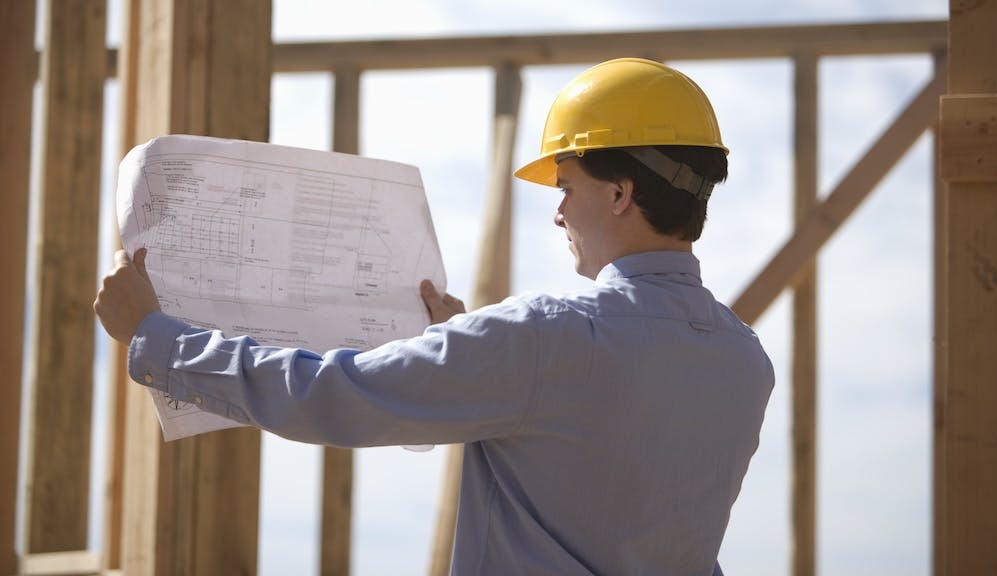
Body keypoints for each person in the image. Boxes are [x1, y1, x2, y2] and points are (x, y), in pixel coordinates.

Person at [95, 57, 773, 576]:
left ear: (621, 192)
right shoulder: (746, 362)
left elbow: (330, 394)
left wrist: (157, 337)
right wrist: (466, 339)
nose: (560, 211)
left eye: (567, 186)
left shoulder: (544, 338)